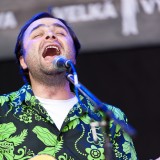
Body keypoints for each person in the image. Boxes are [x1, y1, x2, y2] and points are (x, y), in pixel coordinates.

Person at [0, 12, 137, 160]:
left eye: (60, 32)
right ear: (23, 61)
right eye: (38, 34)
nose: (50, 35)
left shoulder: (109, 117)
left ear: (73, 56)